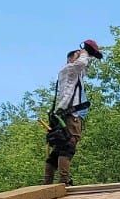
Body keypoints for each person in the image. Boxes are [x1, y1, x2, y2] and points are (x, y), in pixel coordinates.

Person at [43, 39, 104, 186]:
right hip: (71, 116)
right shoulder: (69, 69)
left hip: (66, 115)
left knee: (59, 149)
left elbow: (84, 66)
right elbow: (81, 64)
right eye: (77, 55)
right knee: (68, 147)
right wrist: (83, 52)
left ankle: (47, 182)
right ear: (70, 59)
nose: (83, 56)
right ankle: (64, 181)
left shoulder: (73, 74)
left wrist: (90, 53)